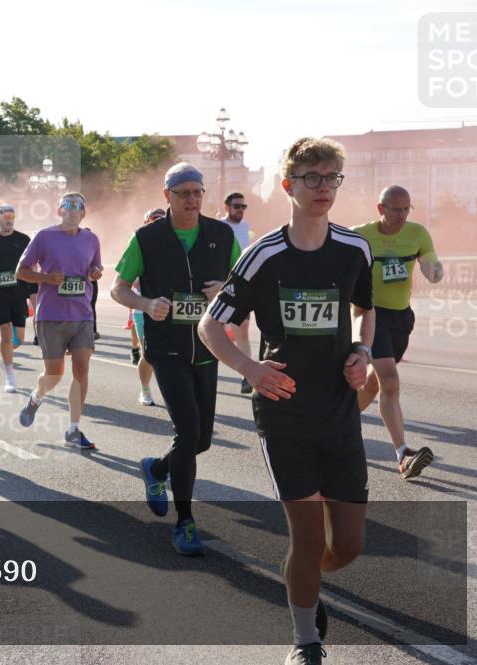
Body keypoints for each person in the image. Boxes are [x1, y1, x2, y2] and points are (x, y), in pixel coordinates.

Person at [199, 137, 374, 665]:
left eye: (330, 178)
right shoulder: (263, 256)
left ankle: (306, 583)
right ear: (288, 186)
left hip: (340, 409)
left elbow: (369, 309)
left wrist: (363, 349)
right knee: (303, 533)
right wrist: (250, 369)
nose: (322, 187)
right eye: (311, 178)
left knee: (346, 546)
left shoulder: (354, 249)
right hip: (284, 409)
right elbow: (211, 325)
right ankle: (306, 639)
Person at [111, 164, 240, 554]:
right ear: (166, 195)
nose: (191, 199)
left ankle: (157, 468)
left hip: (207, 347)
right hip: (165, 347)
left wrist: (226, 288)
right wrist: (146, 303)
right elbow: (118, 289)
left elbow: (245, 282)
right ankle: (185, 522)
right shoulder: (147, 238)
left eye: (197, 192)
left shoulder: (221, 234)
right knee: (187, 433)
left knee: (200, 440)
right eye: (183, 192)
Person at [353, 185, 443, 479]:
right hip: (371, 314)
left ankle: (337, 423)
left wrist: (434, 270)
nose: (402, 215)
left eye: (407, 209)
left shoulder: (417, 233)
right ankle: (403, 454)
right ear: (381, 209)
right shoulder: (361, 235)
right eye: (396, 209)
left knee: (373, 385)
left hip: (402, 316)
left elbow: (431, 262)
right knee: (390, 380)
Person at [16, 191, 103, 450]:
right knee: (54, 375)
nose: (72, 211)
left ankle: (73, 430)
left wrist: (96, 272)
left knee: (81, 370)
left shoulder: (91, 238)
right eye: (67, 206)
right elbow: (21, 272)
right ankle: (36, 398)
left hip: (82, 315)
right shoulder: (44, 237)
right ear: (59, 211)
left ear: (83, 213)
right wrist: (46, 278)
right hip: (50, 315)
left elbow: (96, 268)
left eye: (78, 207)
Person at [0, 203, 32, 392]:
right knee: (6, 333)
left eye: (12, 216)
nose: (8, 220)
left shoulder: (24, 239)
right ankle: (10, 377)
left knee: (19, 338)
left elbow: (32, 266)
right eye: (5, 216)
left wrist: (34, 294)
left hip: (18, 292)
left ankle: (4, 350)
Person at [129, 208, 166, 404]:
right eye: (153, 221)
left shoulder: (174, 244)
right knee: (150, 353)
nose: (157, 224)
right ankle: (145, 390)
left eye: (161, 220)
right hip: (144, 308)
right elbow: (131, 281)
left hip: (170, 308)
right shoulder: (139, 243)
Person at [222, 192, 256, 394]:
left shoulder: (246, 228)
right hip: (218, 286)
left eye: (243, 206)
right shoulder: (218, 227)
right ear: (227, 207)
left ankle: (247, 376)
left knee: (241, 331)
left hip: (242, 285)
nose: (240, 210)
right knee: (208, 329)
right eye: (236, 206)